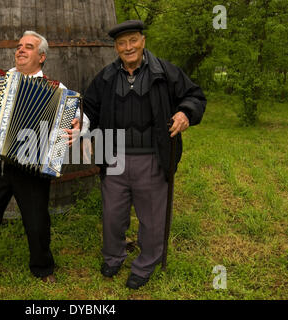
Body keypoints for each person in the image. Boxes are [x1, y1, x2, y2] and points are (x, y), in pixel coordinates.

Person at [0, 30, 88, 297]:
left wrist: (77, 128)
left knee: (37, 223)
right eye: (18, 46)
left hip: (33, 169)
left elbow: (79, 120)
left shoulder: (57, 89)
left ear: (41, 57)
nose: (20, 50)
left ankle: (43, 269)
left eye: (28, 47)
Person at [82, 20, 207, 289]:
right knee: (113, 214)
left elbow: (195, 95)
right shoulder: (105, 76)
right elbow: (88, 108)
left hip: (152, 156)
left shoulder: (165, 71)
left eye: (133, 40)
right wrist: (82, 128)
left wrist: (186, 112)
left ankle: (146, 262)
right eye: (122, 43)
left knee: (151, 217)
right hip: (112, 155)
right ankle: (114, 256)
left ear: (143, 41)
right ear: (116, 47)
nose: (128, 47)